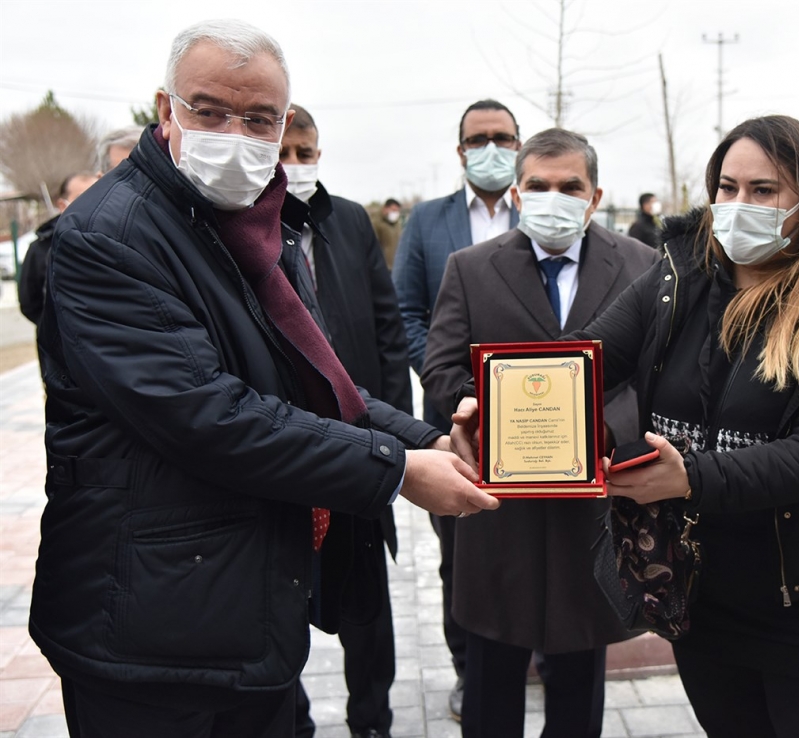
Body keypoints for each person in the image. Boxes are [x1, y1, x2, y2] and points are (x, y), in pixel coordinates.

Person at [28, 19, 497, 738]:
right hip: (146, 632)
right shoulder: (109, 236)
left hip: (242, 614)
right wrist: (398, 470)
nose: (235, 134)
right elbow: (210, 416)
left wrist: (430, 437)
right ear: (165, 111)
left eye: (258, 119)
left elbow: (317, 380)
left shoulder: (248, 222)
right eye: (209, 110)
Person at [451, 115, 799, 736]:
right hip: (702, 589)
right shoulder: (674, 281)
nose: (739, 205)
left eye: (763, 190)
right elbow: (582, 364)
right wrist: (488, 411)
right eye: (727, 187)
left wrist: (689, 477)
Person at [422, 127, 658, 737]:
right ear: (519, 193)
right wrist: (494, 417)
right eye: (539, 186)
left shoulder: (643, 266)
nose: (554, 196)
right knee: (492, 679)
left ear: (595, 195)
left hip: (595, 511)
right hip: (503, 511)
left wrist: (599, 429)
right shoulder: (470, 268)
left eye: (569, 186)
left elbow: (658, 382)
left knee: (580, 681)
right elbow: (442, 369)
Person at [280, 103, 408, 738]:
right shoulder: (233, 230)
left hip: (361, 444)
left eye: (306, 154)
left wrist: (398, 437)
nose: (295, 167)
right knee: (282, 598)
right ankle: (294, 720)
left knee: (369, 610)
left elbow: (387, 328)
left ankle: (373, 721)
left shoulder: (349, 221)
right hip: (281, 452)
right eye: (284, 154)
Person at [392, 98, 521, 719]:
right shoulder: (428, 221)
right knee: (463, 552)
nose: (491, 149)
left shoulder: (546, 208)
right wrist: (455, 387)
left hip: (544, 420)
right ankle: (470, 668)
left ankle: (541, 652)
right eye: (479, 139)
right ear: (461, 149)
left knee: (544, 539)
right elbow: (409, 311)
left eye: (502, 137)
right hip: (458, 419)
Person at [17, 171, 97, 325]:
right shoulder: (41, 248)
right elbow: (29, 303)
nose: (92, 203)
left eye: (98, 195)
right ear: (62, 205)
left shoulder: (119, 240)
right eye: (83, 197)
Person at [370, 198, 402, 270]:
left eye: (397, 211)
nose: (395, 213)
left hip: (396, 265)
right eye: (393, 210)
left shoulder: (397, 224)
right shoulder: (376, 223)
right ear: (385, 209)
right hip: (383, 267)